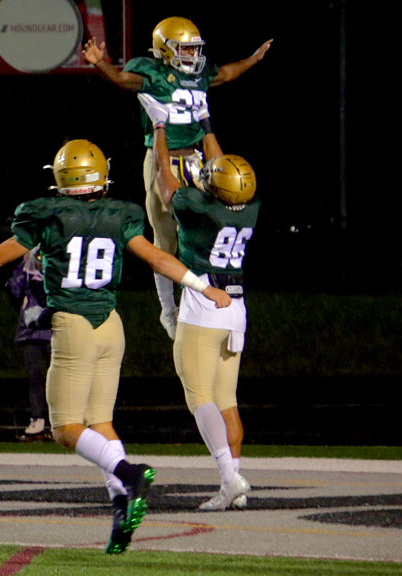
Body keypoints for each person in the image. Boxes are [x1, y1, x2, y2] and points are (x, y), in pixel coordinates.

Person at [0, 139, 232, 554]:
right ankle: (121, 505)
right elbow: (156, 258)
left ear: (61, 176)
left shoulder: (47, 214)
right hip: (111, 325)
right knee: (99, 422)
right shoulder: (121, 214)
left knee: (64, 428)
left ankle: (128, 474)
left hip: (75, 325)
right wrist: (200, 284)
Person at [83, 17, 271, 339]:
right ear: (164, 51)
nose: (191, 55)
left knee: (205, 228)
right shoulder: (153, 72)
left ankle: (204, 295)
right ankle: (168, 309)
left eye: (193, 49)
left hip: (198, 160)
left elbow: (225, 74)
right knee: (166, 239)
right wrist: (102, 64)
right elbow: (123, 80)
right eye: (184, 49)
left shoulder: (197, 75)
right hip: (162, 160)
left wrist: (253, 60)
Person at [149, 101, 260, 510]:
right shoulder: (250, 206)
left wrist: (160, 128)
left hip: (203, 304)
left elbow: (165, 183)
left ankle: (230, 480)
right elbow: (223, 169)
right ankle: (234, 483)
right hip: (237, 308)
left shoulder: (197, 208)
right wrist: (207, 124)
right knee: (226, 399)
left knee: (198, 396)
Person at [5, 246, 53, 441]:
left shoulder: (58, 270)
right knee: (35, 377)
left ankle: (58, 421)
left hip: (52, 331)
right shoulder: (26, 271)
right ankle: (38, 420)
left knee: (56, 378)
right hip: (31, 332)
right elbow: (12, 288)